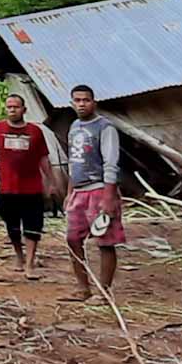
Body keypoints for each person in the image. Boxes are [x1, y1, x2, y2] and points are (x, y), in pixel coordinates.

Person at [0, 94, 63, 278]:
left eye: (16, 106)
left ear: (24, 109)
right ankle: (19, 256)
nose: (12, 110)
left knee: (33, 226)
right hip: (8, 188)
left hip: (32, 189)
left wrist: (52, 183)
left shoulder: (35, 132)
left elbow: (43, 158)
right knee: (12, 226)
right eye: (9, 107)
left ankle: (30, 263)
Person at [62, 84, 124, 303]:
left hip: (99, 189)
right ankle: (83, 288)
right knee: (72, 239)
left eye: (85, 100)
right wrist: (69, 193)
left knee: (105, 241)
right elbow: (73, 163)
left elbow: (110, 163)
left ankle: (104, 292)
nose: (81, 104)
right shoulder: (74, 127)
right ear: (71, 103)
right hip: (79, 191)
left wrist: (109, 197)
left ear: (94, 102)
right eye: (77, 100)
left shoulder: (105, 128)